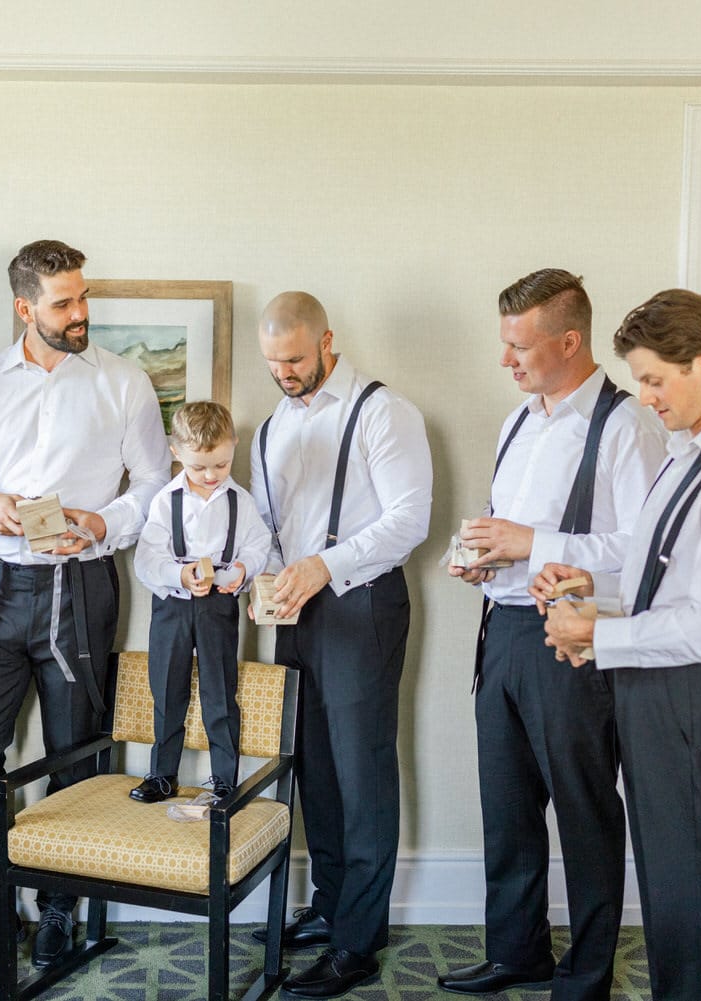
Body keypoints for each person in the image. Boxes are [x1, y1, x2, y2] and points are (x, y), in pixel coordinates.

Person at [539, 289, 701, 1001]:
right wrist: (587, 588)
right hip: (654, 689)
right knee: (668, 890)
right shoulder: (686, 456)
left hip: (692, 697)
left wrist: (596, 631)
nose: (644, 395)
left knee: (689, 897)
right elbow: (663, 584)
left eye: (654, 378)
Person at [437, 270, 666, 999]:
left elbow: (643, 553)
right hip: (500, 632)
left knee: (585, 808)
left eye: (519, 346)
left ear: (569, 341)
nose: (506, 360)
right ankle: (517, 951)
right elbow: (511, 530)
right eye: (504, 344)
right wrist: (478, 555)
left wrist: (529, 541)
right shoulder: (517, 423)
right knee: (506, 808)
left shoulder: (628, 426)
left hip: (571, 641)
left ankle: (588, 974)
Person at [0, 239, 172, 972]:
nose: (81, 314)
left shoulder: (124, 381)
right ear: (24, 307)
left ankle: (56, 910)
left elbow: (153, 485)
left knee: (75, 752)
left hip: (84, 587)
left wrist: (104, 522)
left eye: (83, 298)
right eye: (63, 303)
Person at [249, 290, 432, 999]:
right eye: (273, 363)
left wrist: (325, 564)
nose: (285, 373)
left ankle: (358, 941)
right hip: (293, 611)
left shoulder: (385, 412)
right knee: (313, 765)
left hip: (362, 606)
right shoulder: (271, 427)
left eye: (294, 359)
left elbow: (410, 517)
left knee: (362, 772)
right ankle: (329, 905)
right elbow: (268, 523)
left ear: (327, 340)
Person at [130, 400, 269, 804]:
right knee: (167, 690)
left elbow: (259, 545)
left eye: (221, 465)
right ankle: (162, 775)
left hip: (219, 607)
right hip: (172, 607)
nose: (211, 476)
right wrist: (179, 575)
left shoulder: (240, 502)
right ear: (177, 454)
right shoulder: (164, 500)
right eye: (199, 467)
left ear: (234, 447)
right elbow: (146, 560)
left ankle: (225, 779)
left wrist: (243, 569)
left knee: (220, 693)